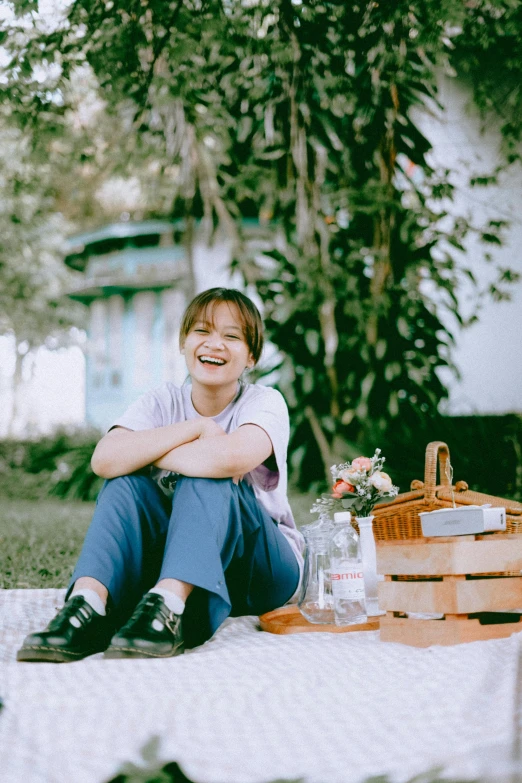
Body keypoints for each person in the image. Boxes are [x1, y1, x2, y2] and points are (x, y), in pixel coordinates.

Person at [17, 287, 304, 662]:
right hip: (184, 557)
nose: (214, 344)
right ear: (184, 343)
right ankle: (87, 606)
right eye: (202, 331)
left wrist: (151, 453)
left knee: (208, 475)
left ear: (251, 356)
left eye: (231, 336)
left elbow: (232, 457)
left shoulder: (264, 402)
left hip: (261, 570)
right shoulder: (161, 401)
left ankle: (169, 608)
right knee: (125, 483)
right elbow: (105, 460)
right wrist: (196, 429)